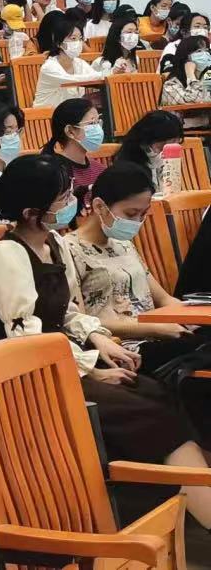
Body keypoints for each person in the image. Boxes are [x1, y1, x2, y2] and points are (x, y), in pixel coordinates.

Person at [0, 155, 211, 506]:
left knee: (157, 391)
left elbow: (69, 311)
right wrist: (90, 370)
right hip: (34, 373)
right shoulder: (7, 254)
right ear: (31, 212)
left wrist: (98, 339)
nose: (71, 203)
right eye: (62, 198)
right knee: (145, 410)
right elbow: (26, 338)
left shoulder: (53, 243)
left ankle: (181, 500)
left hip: (65, 357)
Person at [66, 163, 211, 436]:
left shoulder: (124, 244)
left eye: (143, 214)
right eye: (131, 214)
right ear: (99, 206)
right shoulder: (70, 250)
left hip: (160, 334)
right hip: (123, 347)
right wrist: (155, 328)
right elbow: (84, 322)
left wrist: (196, 315)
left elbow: (164, 299)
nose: (137, 222)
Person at [41, 97, 105, 219]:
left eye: (98, 122)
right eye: (92, 123)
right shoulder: (55, 173)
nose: (98, 129)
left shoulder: (100, 169)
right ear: (70, 131)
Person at [32, 13, 97, 108]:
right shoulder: (49, 67)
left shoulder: (79, 63)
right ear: (59, 43)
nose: (78, 43)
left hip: (71, 112)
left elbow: (96, 78)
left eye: (80, 39)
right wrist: (103, 74)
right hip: (47, 115)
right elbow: (72, 80)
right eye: (73, 38)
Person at [115, 110, 183, 193]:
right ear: (145, 141)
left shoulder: (168, 163)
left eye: (175, 143)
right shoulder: (129, 169)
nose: (163, 153)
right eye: (160, 147)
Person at [160, 35, 211, 130]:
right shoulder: (171, 83)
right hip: (180, 130)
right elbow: (197, 100)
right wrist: (190, 75)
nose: (205, 55)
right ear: (186, 57)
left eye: (207, 51)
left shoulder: (207, 75)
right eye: (199, 51)